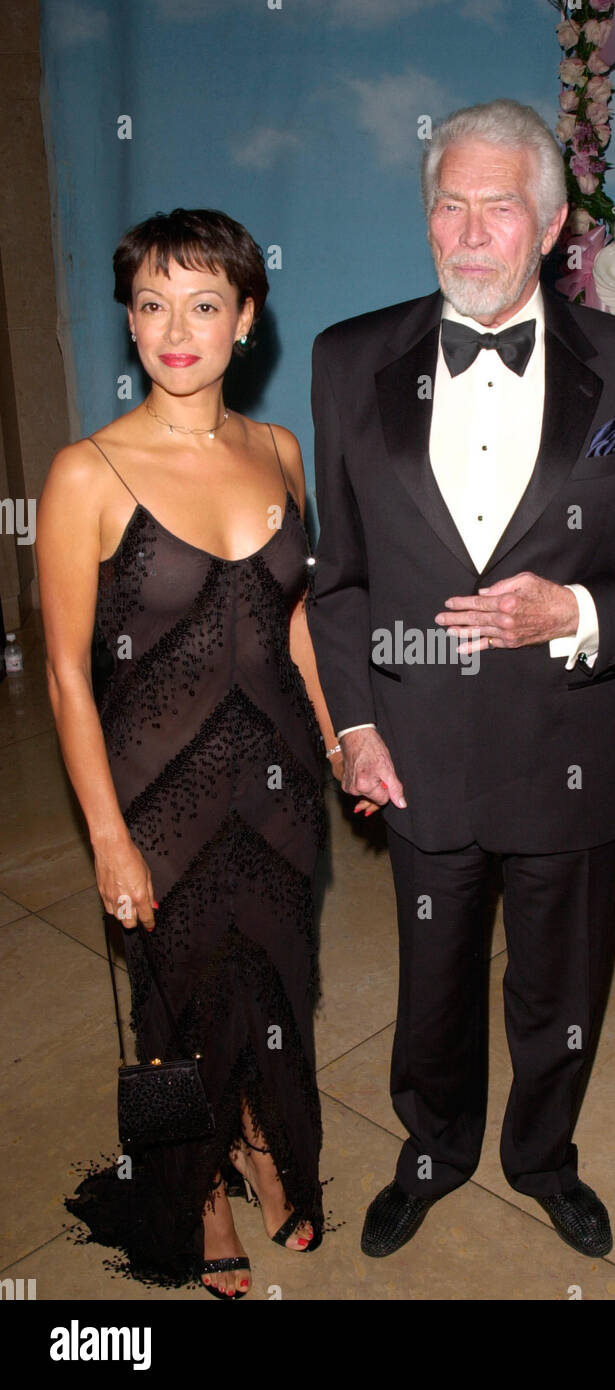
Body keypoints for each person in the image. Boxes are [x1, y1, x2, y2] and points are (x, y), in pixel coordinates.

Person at [307, 99, 615, 1259]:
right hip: (416, 749)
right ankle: (433, 1150)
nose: (468, 233)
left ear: (549, 223)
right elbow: (340, 580)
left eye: (498, 208)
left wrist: (574, 611)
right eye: (448, 204)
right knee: (432, 981)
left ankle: (543, 1155)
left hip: (566, 747)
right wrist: (354, 728)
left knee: (559, 985)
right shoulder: (349, 359)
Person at [38, 208, 349, 1297]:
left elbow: (294, 617)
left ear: (246, 321)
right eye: (153, 303)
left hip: (280, 791)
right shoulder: (87, 473)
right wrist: (109, 837)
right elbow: (68, 675)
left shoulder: (279, 450)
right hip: (155, 803)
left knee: (273, 985)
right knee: (168, 1014)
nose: (179, 328)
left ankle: (261, 1144)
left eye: (205, 303)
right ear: (129, 320)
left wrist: (346, 738)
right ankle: (196, 1193)